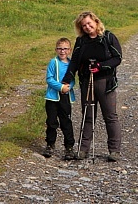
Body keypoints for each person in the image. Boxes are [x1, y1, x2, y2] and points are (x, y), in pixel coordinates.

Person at [62, 10, 123, 162]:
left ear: (96, 22)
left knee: (110, 116)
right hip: (86, 82)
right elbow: (75, 61)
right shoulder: (81, 41)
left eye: (89, 23)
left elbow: (117, 58)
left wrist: (100, 66)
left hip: (106, 83)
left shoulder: (108, 37)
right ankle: (83, 150)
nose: (87, 27)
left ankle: (114, 151)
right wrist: (67, 78)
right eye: (84, 26)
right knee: (88, 117)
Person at [43, 37, 76, 159]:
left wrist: (68, 86)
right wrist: (60, 87)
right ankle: (50, 144)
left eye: (65, 49)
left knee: (66, 122)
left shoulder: (71, 64)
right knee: (51, 122)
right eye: (60, 49)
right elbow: (49, 78)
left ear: (70, 50)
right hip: (52, 97)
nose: (62, 51)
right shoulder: (53, 62)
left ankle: (69, 147)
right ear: (56, 50)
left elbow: (72, 79)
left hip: (65, 97)